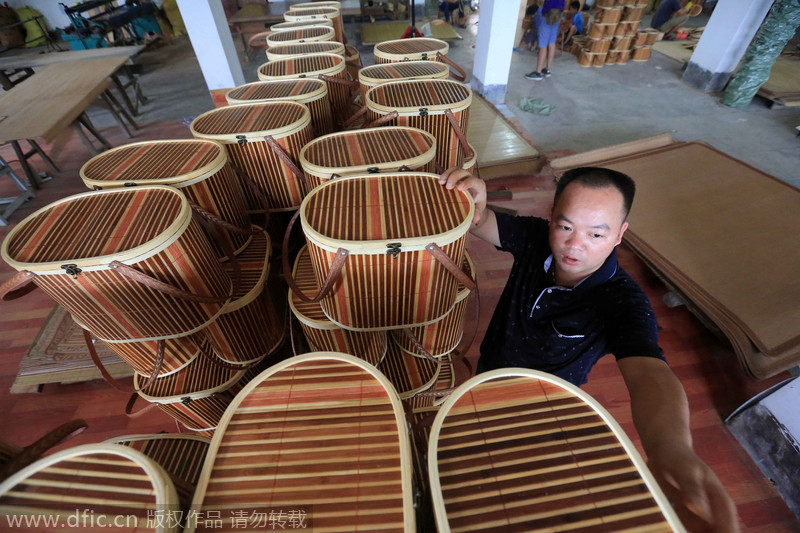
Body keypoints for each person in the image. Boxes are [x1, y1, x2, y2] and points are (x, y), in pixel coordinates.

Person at [438, 166, 740, 532]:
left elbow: (649, 374)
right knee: (463, 460)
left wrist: (671, 449)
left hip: (549, 410)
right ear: (551, 218)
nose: (575, 245)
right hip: (490, 374)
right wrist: (476, 204)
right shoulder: (536, 238)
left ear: (620, 235)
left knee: (521, 485)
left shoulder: (623, 301)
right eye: (566, 227)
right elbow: (482, 221)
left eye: (597, 233)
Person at [525, 0, 565, 80]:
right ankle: (547, 69)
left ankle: (538, 72)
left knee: (543, 46)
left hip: (547, 15)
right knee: (551, 43)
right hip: (558, 15)